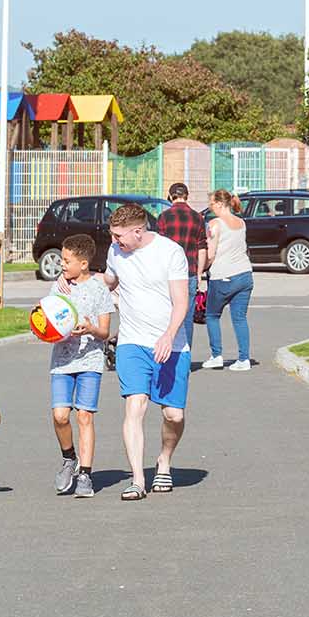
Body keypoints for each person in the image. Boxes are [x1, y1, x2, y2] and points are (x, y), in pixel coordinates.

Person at [103, 200, 190, 500]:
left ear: (138, 232)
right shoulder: (115, 252)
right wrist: (78, 280)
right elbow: (110, 281)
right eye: (112, 236)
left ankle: (164, 460)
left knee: (174, 415)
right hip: (131, 342)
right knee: (135, 405)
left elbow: (181, 301)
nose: (114, 242)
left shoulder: (170, 252)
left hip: (171, 345)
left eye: (119, 236)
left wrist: (168, 335)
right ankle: (138, 480)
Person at [49, 233, 115, 498]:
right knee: (60, 416)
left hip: (90, 360)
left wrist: (90, 328)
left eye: (67, 261)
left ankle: (85, 474)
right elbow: (49, 318)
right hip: (62, 361)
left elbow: (105, 333)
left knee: (84, 416)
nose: (62, 265)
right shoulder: (60, 286)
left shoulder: (99, 290)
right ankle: (69, 459)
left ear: (84, 263)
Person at [202, 189, 254, 371]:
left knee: (212, 315)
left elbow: (211, 252)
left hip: (223, 276)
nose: (210, 208)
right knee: (239, 318)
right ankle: (244, 358)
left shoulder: (215, 224)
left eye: (211, 205)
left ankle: (216, 355)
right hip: (245, 274)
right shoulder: (241, 223)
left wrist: (202, 268)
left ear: (218, 204)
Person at [155, 181, 207, 355]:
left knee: (166, 314)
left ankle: (165, 351)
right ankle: (185, 355)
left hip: (167, 273)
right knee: (186, 317)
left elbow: (159, 247)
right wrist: (200, 273)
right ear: (187, 196)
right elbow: (202, 248)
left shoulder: (164, 217)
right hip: (190, 272)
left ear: (170, 196)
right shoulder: (198, 217)